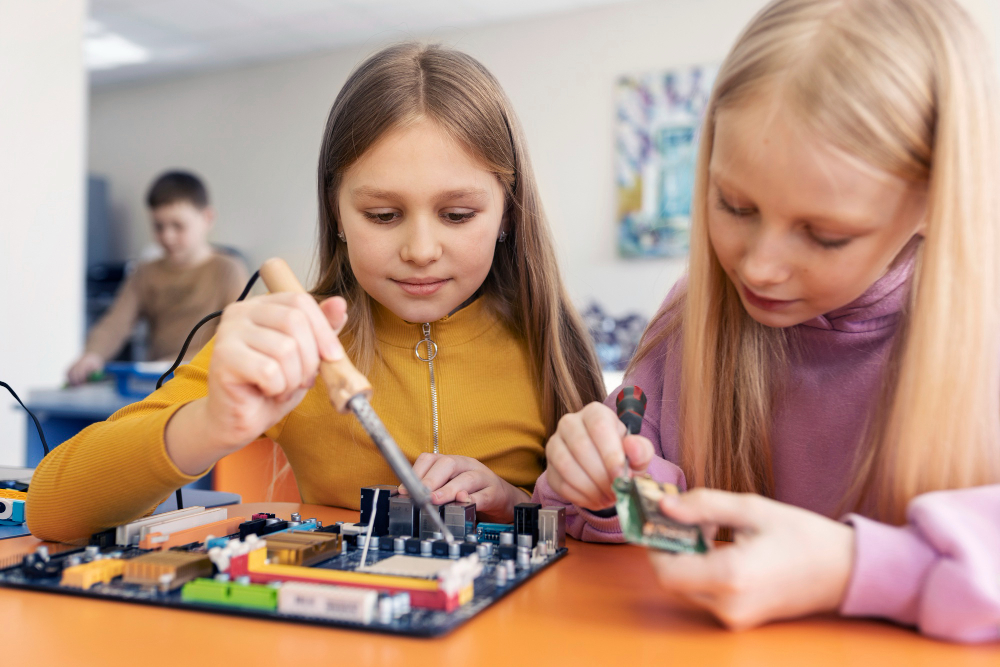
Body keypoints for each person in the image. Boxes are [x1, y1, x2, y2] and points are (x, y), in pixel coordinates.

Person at [535, 0, 1000, 643]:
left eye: (824, 234)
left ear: (934, 203)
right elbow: (656, 526)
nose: (759, 268)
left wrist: (850, 569)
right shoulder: (689, 321)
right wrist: (601, 488)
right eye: (734, 205)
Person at [29, 43, 605, 542]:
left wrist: (518, 504)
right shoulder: (290, 341)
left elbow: (613, 533)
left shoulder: (550, 344)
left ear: (508, 209)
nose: (421, 249)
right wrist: (208, 425)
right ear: (335, 210)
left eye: (457, 214)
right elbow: (54, 506)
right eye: (382, 215)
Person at [66, 171, 248, 384]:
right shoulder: (145, 273)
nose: (167, 236)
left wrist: (180, 363)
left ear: (207, 218)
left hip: (205, 382)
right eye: (158, 226)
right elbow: (115, 323)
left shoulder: (228, 270)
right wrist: (92, 354)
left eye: (178, 226)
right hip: (157, 382)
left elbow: (239, 333)